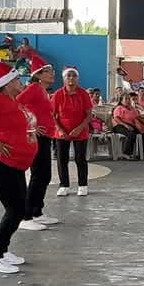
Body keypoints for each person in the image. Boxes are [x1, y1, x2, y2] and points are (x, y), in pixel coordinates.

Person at [0, 61, 38, 275]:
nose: (20, 82)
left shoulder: (12, 100)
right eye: (16, 79)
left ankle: (2, 251)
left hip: (15, 165)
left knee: (19, 209)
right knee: (15, 210)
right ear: (6, 83)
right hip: (1, 165)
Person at [16, 55, 59, 230]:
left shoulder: (42, 90)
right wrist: (30, 126)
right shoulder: (33, 88)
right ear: (39, 74)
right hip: (38, 138)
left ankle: (37, 211)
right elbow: (16, 103)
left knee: (44, 175)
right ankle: (25, 216)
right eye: (48, 71)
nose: (52, 73)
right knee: (38, 175)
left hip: (46, 136)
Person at [51, 66, 93, 197]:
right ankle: (64, 185)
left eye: (74, 76)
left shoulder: (83, 94)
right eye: (68, 76)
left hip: (80, 131)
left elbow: (89, 115)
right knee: (62, 159)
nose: (71, 78)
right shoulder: (57, 94)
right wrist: (59, 129)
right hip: (62, 132)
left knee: (80, 159)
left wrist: (79, 128)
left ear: (78, 79)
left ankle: (83, 185)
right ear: (63, 79)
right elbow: (52, 115)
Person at [112, 93, 144, 159]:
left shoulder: (132, 108)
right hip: (120, 125)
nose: (128, 100)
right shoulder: (119, 108)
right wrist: (126, 125)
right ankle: (127, 153)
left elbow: (137, 116)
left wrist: (142, 122)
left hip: (132, 125)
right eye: (126, 99)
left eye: (129, 99)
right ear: (121, 101)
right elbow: (116, 119)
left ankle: (142, 152)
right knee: (131, 134)